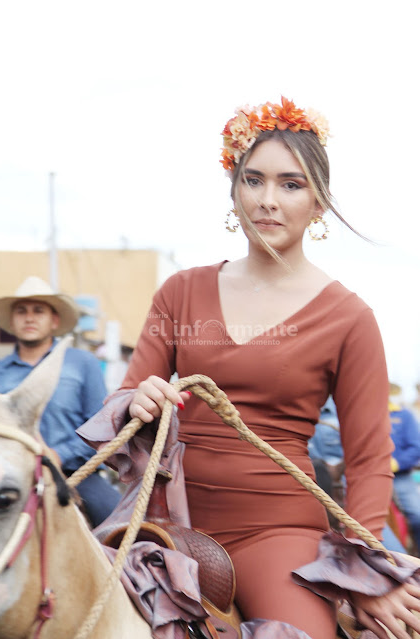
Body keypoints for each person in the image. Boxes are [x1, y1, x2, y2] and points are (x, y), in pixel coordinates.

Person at [78, 96, 420, 638]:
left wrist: (364, 572)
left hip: (278, 531)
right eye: (253, 180)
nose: (267, 200)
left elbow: (370, 460)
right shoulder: (179, 292)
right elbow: (119, 409)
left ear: (319, 203)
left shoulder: (350, 317)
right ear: (233, 191)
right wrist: (137, 400)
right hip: (164, 525)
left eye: (291, 184)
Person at [0, 276, 121, 527]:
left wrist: (58, 455)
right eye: (22, 311)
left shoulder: (83, 363)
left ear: (54, 320)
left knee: (121, 526)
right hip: (11, 475)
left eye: (38, 311)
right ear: (12, 322)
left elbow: (101, 424)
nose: (29, 318)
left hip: (77, 474)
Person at [309, 396, 407, 554]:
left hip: (347, 492)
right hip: (307, 493)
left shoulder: (346, 411)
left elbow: (368, 454)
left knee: (391, 552)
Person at [388, 383, 420, 554]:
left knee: (418, 515)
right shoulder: (366, 414)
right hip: (372, 474)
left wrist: (397, 463)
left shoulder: (405, 415)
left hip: (401, 476)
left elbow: (416, 447)